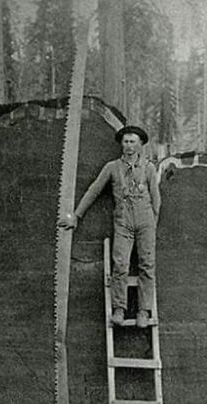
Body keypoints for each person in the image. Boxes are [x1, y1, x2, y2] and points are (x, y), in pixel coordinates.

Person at [61, 125, 160, 328]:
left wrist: (152, 225)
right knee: (120, 264)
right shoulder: (112, 167)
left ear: (140, 144)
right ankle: (119, 309)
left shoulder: (148, 168)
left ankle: (143, 310)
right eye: (125, 141)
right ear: (121, 144)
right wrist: (76, 216)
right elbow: (93, 191)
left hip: (145, 221)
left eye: (133, 141)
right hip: (123, 222)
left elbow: (156, 200)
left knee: (147, 265)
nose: (129, 146)